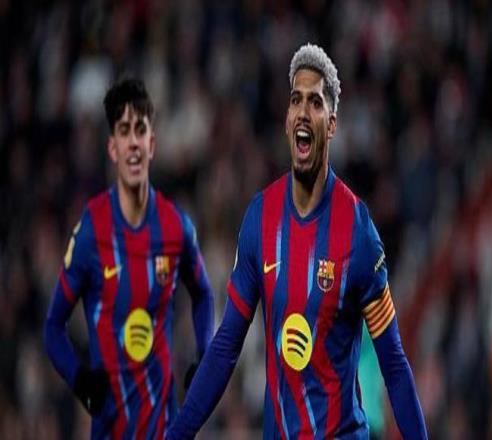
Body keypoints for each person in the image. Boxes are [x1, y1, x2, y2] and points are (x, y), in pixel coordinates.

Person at [167, 44, 428, 439]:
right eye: (295, 100)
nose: (303, 111)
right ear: (287, 121)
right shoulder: (260, 218)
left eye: (315, 102)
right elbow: (226, 346)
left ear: (332, 124)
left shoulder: (358, 232)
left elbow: (393, 362)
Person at [44, 78, 214, 439]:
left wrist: (204, 358)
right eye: (124, 131)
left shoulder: (176, 227)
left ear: (152, 144)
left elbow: (203, 294)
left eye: (140, 130)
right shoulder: (92, 231)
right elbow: (52, 327)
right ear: (113, 147)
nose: (133, 142)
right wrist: (81, 382)